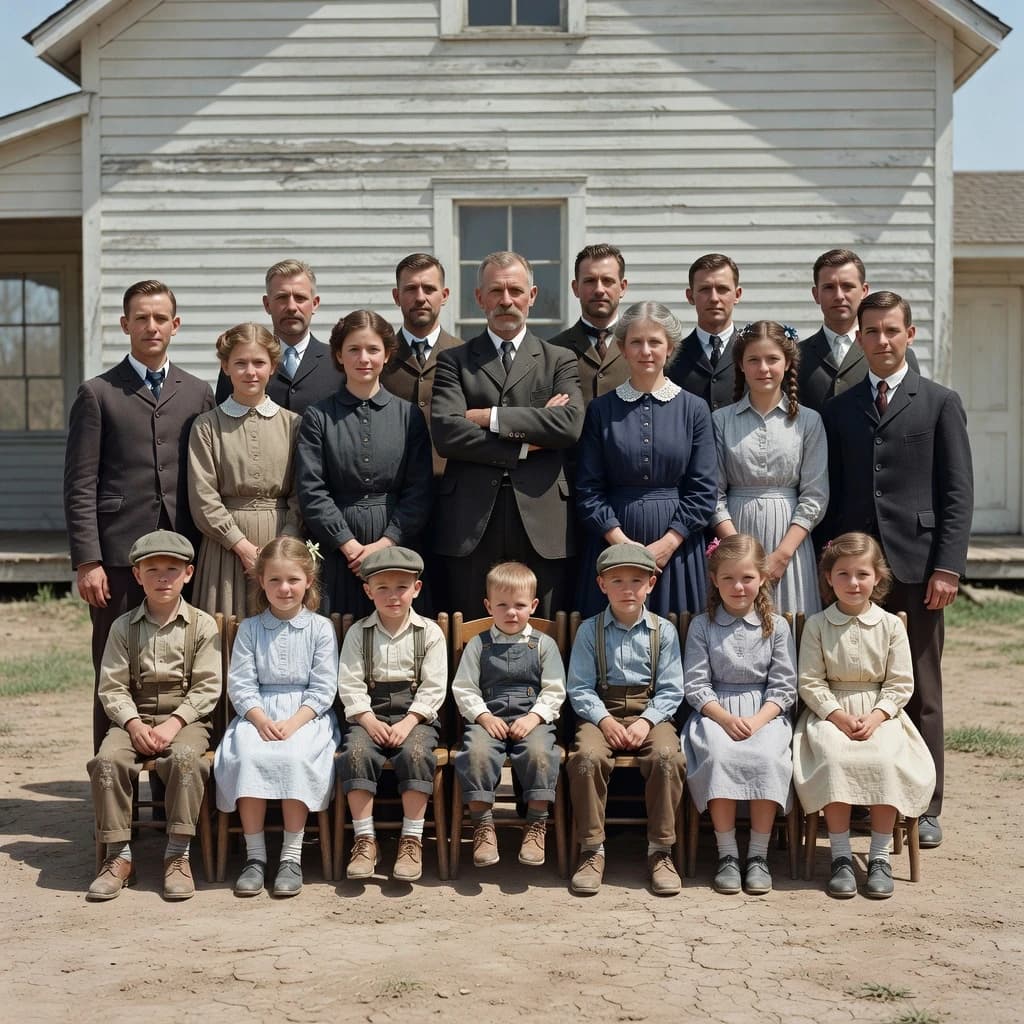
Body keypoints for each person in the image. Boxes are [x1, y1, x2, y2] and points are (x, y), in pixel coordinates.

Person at [821, 291, 973, 849]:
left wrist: (948, 568)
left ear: (909, 334)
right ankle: (862, 797)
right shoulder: (838, 409)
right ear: (858, 338)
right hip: (853, 574)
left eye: (891, 330)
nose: (881, 341)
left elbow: (957, 493)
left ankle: (925, 804)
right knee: (851, 685)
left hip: (917, 567)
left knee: (919, 688)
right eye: (871, 332)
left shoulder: (939, 402)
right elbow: (832, 490)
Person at [64, 280, 214, 751]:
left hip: (185, 549)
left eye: (160, 318)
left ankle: (179, 789)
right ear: (126, 324)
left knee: (185, 667)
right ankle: (114, 790)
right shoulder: (98, 393)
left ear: (175, 324)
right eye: (141, 318)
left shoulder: (197, 392)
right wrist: (87, 560)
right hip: (117, 556)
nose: (152, 327)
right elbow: (80, 483)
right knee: (114, 664)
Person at [430, 250, 584, 618]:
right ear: (479, 298)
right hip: (470, 520)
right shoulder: (454, 361)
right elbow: (448, 433)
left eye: (515, 290)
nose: (506, 300)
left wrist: (490, 417)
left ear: (531, 296)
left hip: (542, 517)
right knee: (467, 630)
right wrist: (528, 441)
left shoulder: (558, 359)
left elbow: (568, 425)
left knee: (545, 628)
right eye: (496, 291)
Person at [793, 533, 936, 899]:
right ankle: (840, 857)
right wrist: (837, 716)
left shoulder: (890, 626)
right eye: (843, 574)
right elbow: (809, 680)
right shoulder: (818, 625)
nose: (853, 583)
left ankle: (878, 857)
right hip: (830, 714)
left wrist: (877, 716)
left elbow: (901, 683)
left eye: (862, 574)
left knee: (885, 758)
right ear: (828, 577)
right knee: (834, 757)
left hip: (881, 714)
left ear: (877, 578)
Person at [86, 530, 222, 902]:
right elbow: (112, 687)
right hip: (135, 715)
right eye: (153, 569)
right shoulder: (122, 627)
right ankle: (118, 856)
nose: (163, 577)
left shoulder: (202, 625)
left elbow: (208, 687)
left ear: (189, 574)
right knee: (107, 761)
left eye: (172, 569)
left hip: (186, 719)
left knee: (185, 758)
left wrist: (174, 723)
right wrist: (132, 723)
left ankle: (177, 854)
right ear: (137, 575)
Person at [214, 536, 341, 898]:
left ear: (308, 581)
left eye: (293, 580)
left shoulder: (320, 629)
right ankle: (255, 858)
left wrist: (294, 722)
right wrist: (259, 719)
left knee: (295, 756)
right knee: (249, 756)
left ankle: (291, 857)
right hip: (258, 714)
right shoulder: (251, 630)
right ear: (261, 582)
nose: (284, 588)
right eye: (275, 580)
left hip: (306, 717)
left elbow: (322, 689)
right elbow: (240, 684)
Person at [575, 301, 717, 617]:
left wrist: (668, 543)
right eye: (636, 342)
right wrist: (620, 544)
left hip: (677, 547)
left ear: (670, 348)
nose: (646, 350)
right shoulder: (601, 410)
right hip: (612, 541)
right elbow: (587, 488)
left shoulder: (694, 409)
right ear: (622, 349)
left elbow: (704, 489)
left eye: (655, 342)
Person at [566, 543, 686, 897]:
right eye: (617, 581)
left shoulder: (663, 631)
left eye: (636, 580)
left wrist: (645, 722)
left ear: (651, 583)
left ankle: (660, 850)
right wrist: (604, 721)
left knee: (667, 758)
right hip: (600, 711)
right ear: (602, 584)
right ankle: (592, 849)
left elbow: (671, 689)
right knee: (586, 758)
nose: (627, 589)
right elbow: (579, 687)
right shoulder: (590, 631)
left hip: (650, 712)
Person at [296, 310, 433, 618]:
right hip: (338, 550)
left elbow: (420, 488)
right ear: (339, 356)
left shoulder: (409, 415)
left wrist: (387, 542)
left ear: (387, 355)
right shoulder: (318, 416)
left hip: (397, 543)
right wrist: (348, 545)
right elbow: (311, 488)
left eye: (373, 349)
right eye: (353, 349)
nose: (364, 358)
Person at [682, 534, 796, 896]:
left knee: (766, 756)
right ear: (715, 579)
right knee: (718, 755)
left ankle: (758, 855)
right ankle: (727, 854)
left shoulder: (777, 627)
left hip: (764, 713)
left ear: (762, 577)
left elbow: (783, 687)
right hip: (716, 713)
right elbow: (696, 685)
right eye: (728, 578)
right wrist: (726, 719)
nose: (738, 586)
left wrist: (758, 721)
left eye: (747, 577)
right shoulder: (703, 626)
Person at [337, 547, 448, 884]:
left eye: (401, 586)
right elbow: (350, 682)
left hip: (414, 716)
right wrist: (367, 720)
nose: (392, 595)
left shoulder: (429, 632)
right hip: (368, 714)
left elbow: (434, 685)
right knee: (354, 752)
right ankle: (365, 839)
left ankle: (411, 839)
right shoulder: (359, 633)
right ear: (368, 591)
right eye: (382, 587)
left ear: (416, 588)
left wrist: (410, 721)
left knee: (416, 753)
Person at [451, 562, 565, 870]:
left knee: (541, 752)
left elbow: (555, 689)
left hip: (533, 718)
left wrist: (535, 717)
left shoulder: (544, 644)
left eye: (519, 605)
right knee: (475, 752)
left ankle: (536, 823)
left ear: (534, 605)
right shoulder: (478, 644)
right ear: (489, 606)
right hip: (489, 717)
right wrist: (483, 716)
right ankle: (483, 825)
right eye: (502, 605)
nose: (511, 613)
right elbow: (464, 688)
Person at [709, 321, 828, 614]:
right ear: (741, 365)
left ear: (787, 363)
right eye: (754, 360)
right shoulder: (720, 421)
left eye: (772, 359)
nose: (764, 368)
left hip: (789, 538)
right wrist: (737, 551)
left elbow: (815, 495)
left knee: (789, 622)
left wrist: (783, 554)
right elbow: (713, 493)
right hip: (736, 529)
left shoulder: (808, 422)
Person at [188, 323, 301, 619]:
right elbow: (203, 497)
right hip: (225, 550)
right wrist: (242, 547)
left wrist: (282, 545)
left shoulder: (294, 425)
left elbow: (303, 493)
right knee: (226, 634)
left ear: (273, 367)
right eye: (240, 363)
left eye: (259, 363)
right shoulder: (206, 426)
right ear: (225, 366)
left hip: (281, 542)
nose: (250, 372)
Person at [215, 259, 343, 415]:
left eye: (300, 298)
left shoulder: (338, 363)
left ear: (315, 303)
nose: (291, 307)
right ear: (267, 304)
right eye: (282, 297)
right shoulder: (239, 364)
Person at [799, 248, 918, 414]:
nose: (839, 295)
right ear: (815, 294)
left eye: (847, 286)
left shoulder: (900, 354)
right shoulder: (795, 356)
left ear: (864, 291)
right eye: (829, 287)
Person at [382, 252, 464, 477]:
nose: (420, 297)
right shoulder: (379, 358)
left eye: (429, 289)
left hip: (453, 490)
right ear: (396, 296)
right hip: (395, 488)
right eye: (411, 289)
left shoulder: (465, 357)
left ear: (444, 295)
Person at [548, 243, 631, 405]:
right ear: (575, 288)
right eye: (590, 281)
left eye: (607, 280)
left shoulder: (645, 349)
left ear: (622, 287)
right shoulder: (553, 352)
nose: (599, 289)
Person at [666, 253, 744, 411]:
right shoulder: (671, 357)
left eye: (722, 289)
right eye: (705, 289)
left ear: (737, 295)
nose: (714, 298)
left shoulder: (752, 353)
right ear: (690, 296)